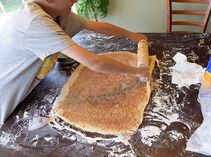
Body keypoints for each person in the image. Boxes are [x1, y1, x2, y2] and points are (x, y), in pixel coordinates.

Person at [0, 0, 149, 127]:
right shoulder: (34, 22)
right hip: (5, 97)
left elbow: (96, 25)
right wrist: (137, 71)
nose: (76, 1)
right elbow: (94, 62)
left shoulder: (57, 14)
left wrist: (133, 35)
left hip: (25, 91)